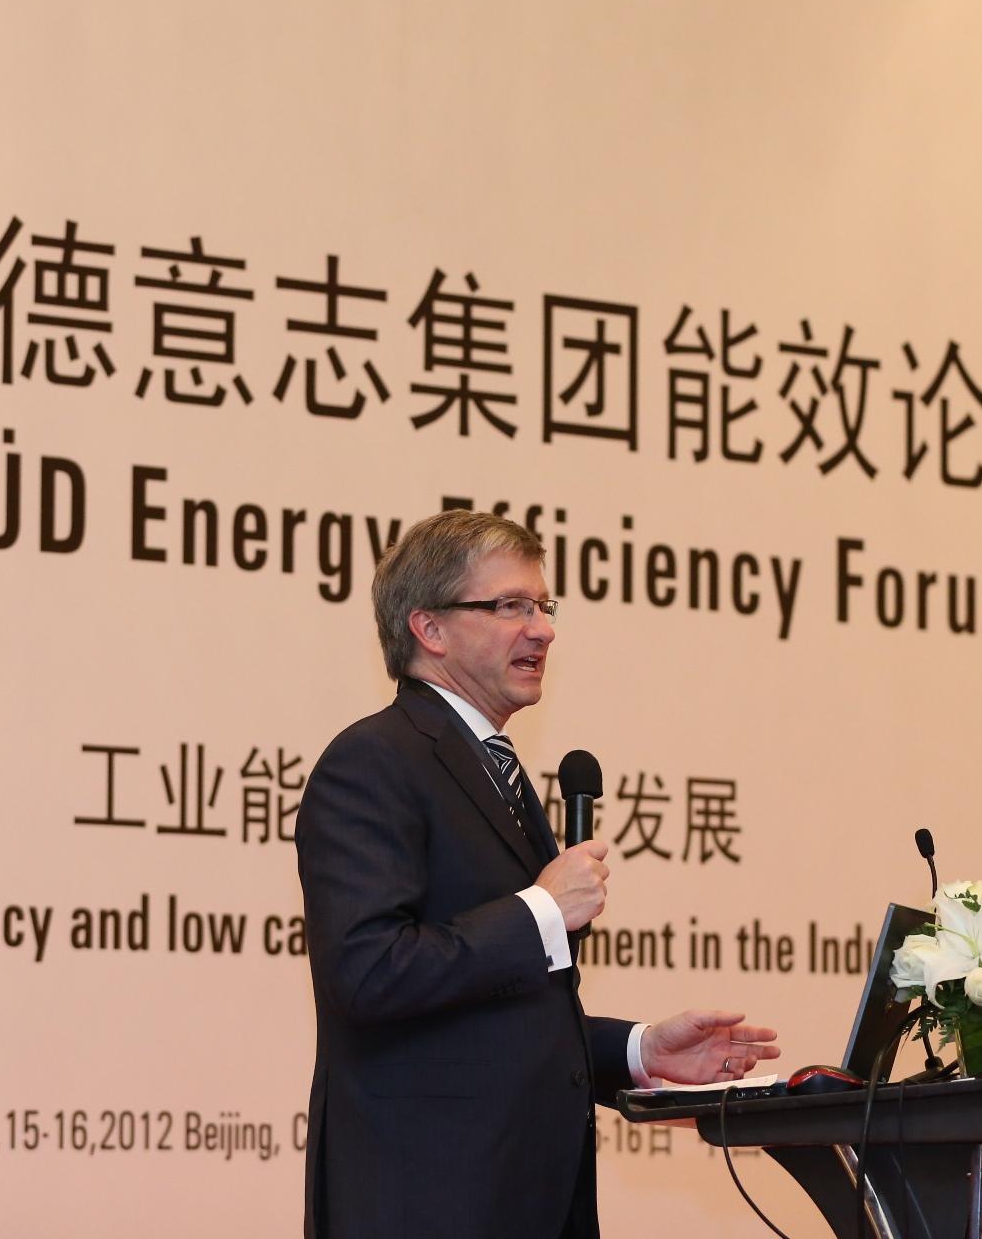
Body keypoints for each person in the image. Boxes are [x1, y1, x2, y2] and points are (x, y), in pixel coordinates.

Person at [296, 509, 781, 1238]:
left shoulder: (493, 768)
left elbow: (493, 1016)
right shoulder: (374, 762)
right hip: (427, 1204)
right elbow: (367, 974)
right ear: (430, 628)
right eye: (512, 606)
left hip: (525, 1199)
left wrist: (638, 1050)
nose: (544, 630)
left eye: (544, 606)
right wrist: (540, 912)